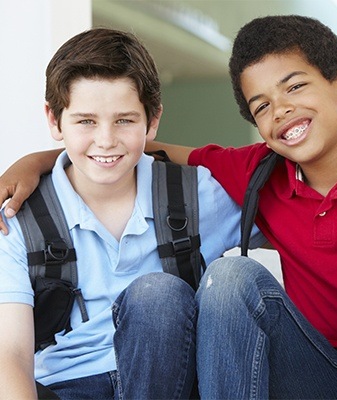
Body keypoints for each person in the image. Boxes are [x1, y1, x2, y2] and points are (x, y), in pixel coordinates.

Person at [1, 15, 337, 400]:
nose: (283, 110)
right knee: (230, 276)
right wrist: (39, 160)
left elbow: (132, 144)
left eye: (295, 86)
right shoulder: (258, 174)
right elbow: (131, 149)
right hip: (316, 369)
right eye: (262, 106)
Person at [0, 28, 264, 399]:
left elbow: (299, 215)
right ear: (54, 120)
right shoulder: (17, 216)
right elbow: (9, 355)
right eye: (86, 121)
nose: (106, 140)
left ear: (152, 120)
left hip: (173, 381)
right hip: (68, 387)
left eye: (124, 120)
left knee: (158, 294)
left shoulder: (198, 194)